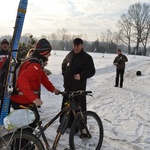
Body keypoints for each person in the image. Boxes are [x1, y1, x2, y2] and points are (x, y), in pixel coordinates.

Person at [10, 38, 60, 135]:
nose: (50, 54)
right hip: (21, 99)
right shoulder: (35, 65)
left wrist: (52, 89)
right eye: (48, 52)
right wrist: (34, 99)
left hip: (21, 98)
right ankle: (20, 145)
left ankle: (23, 142)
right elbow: (22, 80)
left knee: (30, 122)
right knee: (31, 123)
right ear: (43, 52)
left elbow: (42, 77)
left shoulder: (35, 62)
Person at [60, 38, 95, 128]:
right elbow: (63, 65)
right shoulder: (69, 55)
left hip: (79, 88)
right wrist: (65, 74)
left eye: (77, 46)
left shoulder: (87, 57)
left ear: (82, 46)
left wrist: (81, 75)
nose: (76, 48)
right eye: (74, 46)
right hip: (68, 87)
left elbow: (91, 71)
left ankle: (80, 127)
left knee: (78, 109)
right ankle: (67, 125)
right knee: (67, 107)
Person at [0, 39, 10, 112]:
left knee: (6, 98)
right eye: (3, 44)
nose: (5, 45)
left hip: (8, 79)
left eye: (6, 44)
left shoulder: (11, 55)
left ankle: (5, 112)